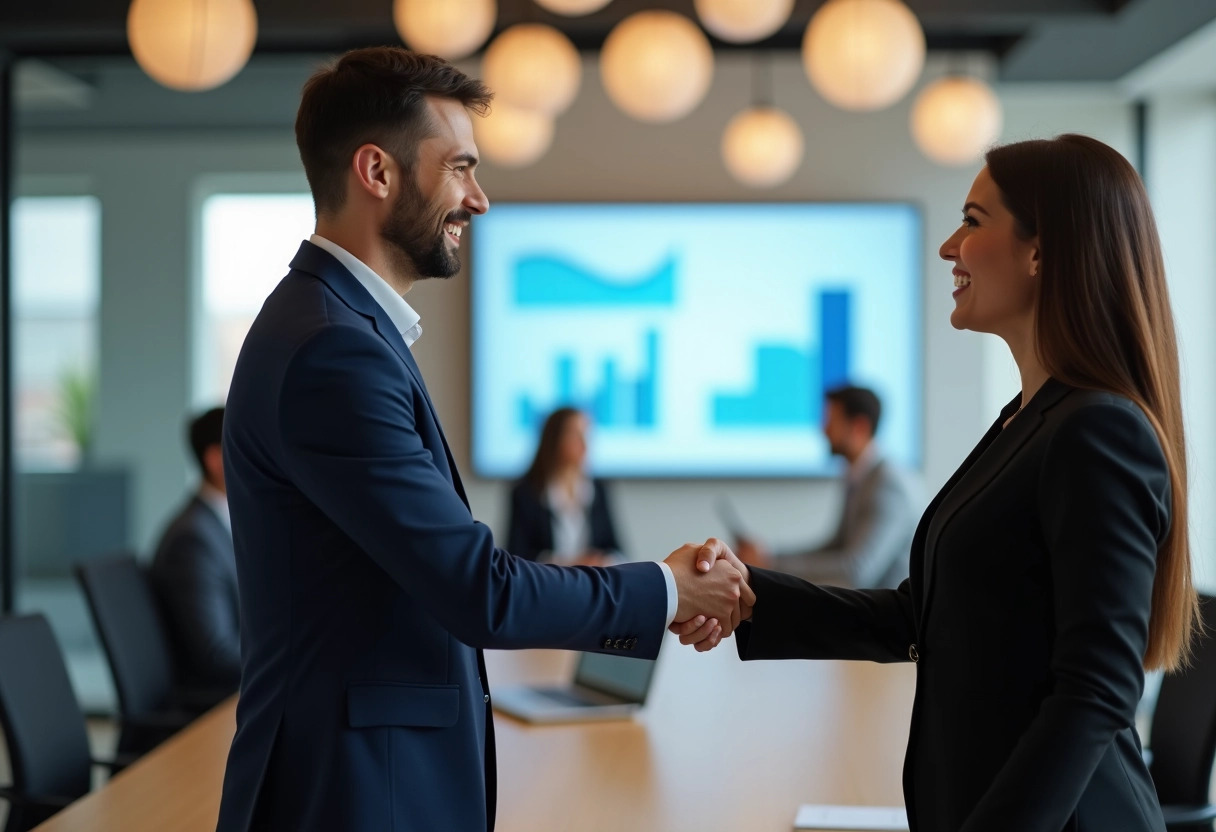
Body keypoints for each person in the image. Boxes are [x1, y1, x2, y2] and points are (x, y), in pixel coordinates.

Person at [215, 47, 749, 832]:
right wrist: (667, 589)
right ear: (378, 172)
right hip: (355, 791)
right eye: (460, 167)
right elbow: (478, 591)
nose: (480, 199)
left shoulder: (339, 328)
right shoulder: (334, 349)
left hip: (369, 775)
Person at [674, 134, 1199, 832]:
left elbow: (1098, 691)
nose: (950, 247)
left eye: (973, 222)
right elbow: (921, 615)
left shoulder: (1097, 431)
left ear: (1042, 251)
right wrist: (748, 594)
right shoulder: (1029, 420)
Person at [735, 385, 920, 589]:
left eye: (832, 421)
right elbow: (835, 547)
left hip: (888, 617)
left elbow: (855, 571)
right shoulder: (860, 476)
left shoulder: (887, 485)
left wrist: (771, 563)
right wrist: (768, 556)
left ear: (859, 427)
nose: (824, 429)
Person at [148, 406, 240, 704]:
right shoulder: (193, 540)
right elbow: (216, 654)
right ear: (215, 460)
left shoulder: (220, 524)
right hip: (208, 709)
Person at [507, 407, 623, 566]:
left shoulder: (598, 489)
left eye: (586, 435)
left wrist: (601, 559)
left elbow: (617, 550)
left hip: (591, 586)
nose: (584, 443)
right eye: (575, 435)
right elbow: (516, 557)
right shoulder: (525, 493)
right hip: (546, 587)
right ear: (555, 439)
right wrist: (568, 563)